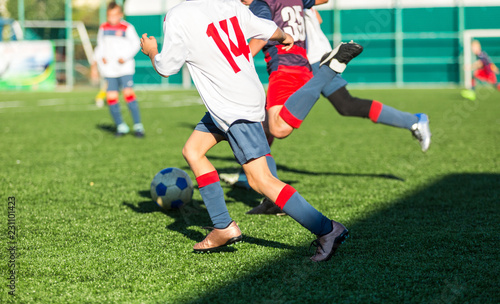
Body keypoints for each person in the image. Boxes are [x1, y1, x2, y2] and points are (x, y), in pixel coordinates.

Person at [140, 0, 359, 262]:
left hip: (232, 107)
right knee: (193, 150)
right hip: (238, 98)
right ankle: (223, 226)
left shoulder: (177, 15)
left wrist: (152, 51)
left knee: (261, 180)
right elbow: (267, 28)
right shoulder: (229, 5)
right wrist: (284, 36)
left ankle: (328, 230)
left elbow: (166, 67)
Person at [227, 1, 431, 215]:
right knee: (273, 122)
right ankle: (261, 181)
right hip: (307, 56)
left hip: (313, 58)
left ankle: (413, 120)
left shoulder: (268, 5)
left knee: (278, 123)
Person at [95, 1, 144, 137]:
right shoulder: (103, 28)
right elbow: (100, 46)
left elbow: (136, 44)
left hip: (125, 68)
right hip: (109, 70)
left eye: (115, 15)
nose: (112, 18)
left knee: (128, 94)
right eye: (110, 15)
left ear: (120, 15)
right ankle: (121, 126)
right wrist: (101, 57)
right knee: (111, 97)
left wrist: (125, 57)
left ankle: (138, 126)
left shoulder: (127, 28)